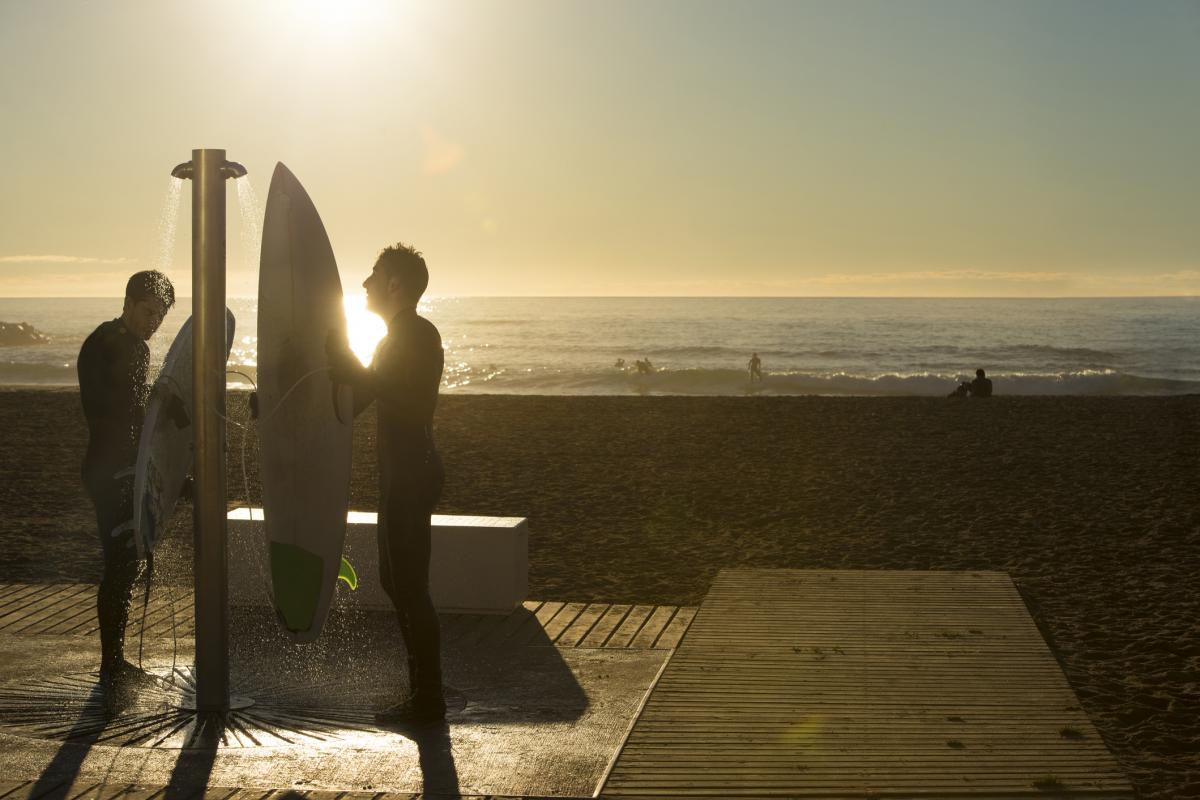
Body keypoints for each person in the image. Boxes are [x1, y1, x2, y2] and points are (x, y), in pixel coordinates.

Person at [326, 243, 447, 726]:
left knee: (411, 586)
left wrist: (341, 353)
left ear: (396, 284)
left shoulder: (417, 334)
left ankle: (429, 698)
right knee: (394, 581)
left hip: (413, 473)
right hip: (401, 473)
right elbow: (355, 401)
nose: (365, 283)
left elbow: (388, 392)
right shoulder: (393, 338)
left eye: (374, 274)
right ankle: (421, 688)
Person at [76, 270, 175, 708]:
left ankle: (114, 660)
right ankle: (111, 664)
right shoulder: (121, 346)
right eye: (148, 312)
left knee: (127, 564)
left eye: (160, 316)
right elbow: (122, 413)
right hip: (111, 470)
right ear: (129, 302)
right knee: (121, 565)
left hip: (110, 467)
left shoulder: (110, 339)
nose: (153, 322)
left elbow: (128, 409)